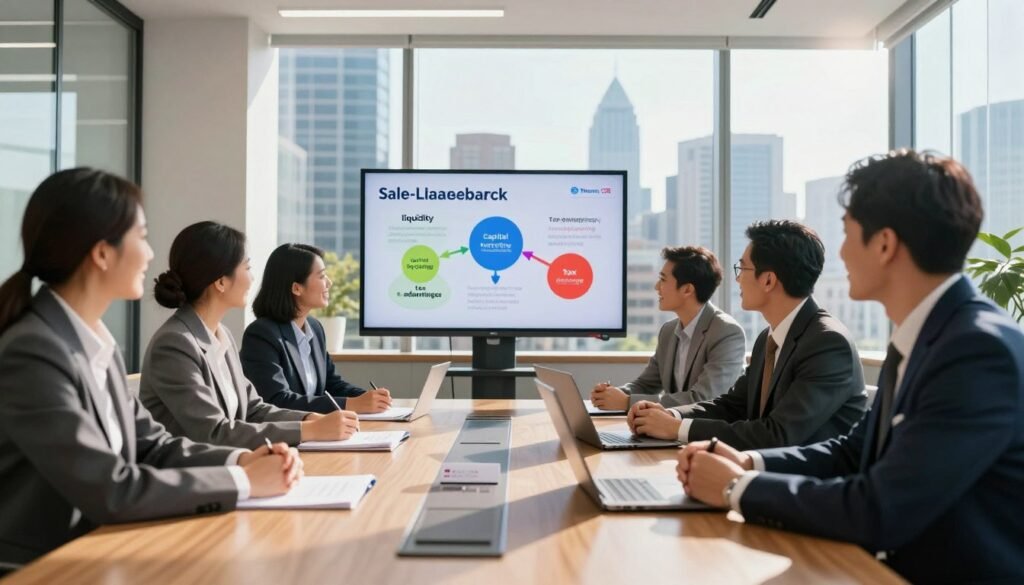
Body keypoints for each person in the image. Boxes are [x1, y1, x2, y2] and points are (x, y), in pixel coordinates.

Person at [677, 150, 1024, 583]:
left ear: (883, 244)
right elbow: (852, 452)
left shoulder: (976, 351)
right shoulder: (927, 335)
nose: (839, 252)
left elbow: (881, 508)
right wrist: (747, 463)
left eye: (846, 233)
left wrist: (734, 488)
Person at [0, 169, 301, 571]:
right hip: (46, 567)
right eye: (141, 236)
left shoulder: (93, 342)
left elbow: (153, 446)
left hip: (105, 550)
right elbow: (112, 487)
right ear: (102, 253)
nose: (150, 253)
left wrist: (241, 461)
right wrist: (246, 483)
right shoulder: (33, 351)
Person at [629, 220, 867, 450]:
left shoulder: (827, 343)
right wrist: (669, 414)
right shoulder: (768, 339)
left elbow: (778, 434)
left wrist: (677, 429)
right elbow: (733, 405)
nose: (737, 278)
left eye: (742, 268)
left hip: (806, 483)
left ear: (768, 280)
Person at [140, 222, 360, 449]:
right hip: (193, 476)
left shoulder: (221, 335)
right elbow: (214, 432)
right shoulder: (174, 344)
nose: (253, 279)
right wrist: (309, 430)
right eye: (247, 267)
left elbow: (254, 408)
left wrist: (308, 419)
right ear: (221, 282)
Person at [241, 243, 392, 414]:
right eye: (321, 276)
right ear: (296, 288)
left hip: (321, 433)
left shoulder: (314, 328)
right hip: (289, 437)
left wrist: (368, 398)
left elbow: (332, 384)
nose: (329, 283)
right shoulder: (262, 335)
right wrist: (351, 405)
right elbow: (277, 400)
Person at [590, 246, 745, 410]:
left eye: (663, 280)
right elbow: (646, 385)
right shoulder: (668, 331)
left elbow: (704, 398)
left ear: (687, 290)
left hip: (708, 432)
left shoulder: (726, 332)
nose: (657, 287)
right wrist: (612, 394)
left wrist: (628, 402)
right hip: (670, 429)